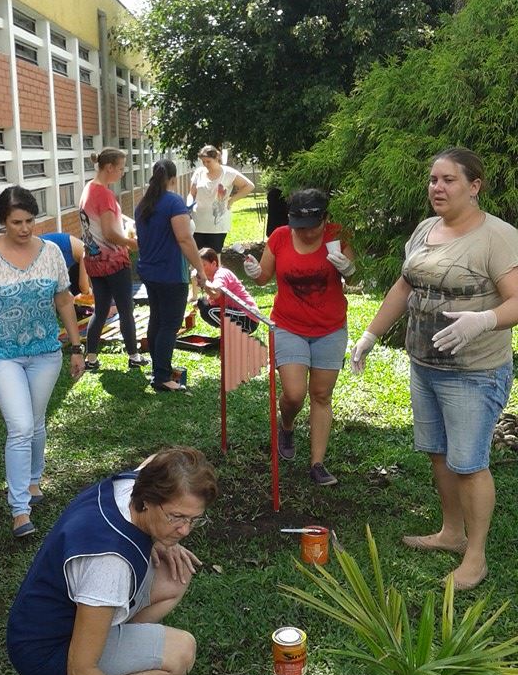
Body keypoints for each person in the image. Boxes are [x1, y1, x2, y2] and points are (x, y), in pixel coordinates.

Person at [351, 148, 518, 590]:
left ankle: (476, 557)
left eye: (448, 180)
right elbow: (404, 285)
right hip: (425, 364)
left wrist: (482, 319)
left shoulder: (496, 237)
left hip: (474, 370)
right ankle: (451, 533)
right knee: (439, 453)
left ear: (475, 185)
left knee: (469, 462)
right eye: (433, 180)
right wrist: (369, 335)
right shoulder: (427, 229)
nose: (437, 188)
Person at [6, 446, 217, 675]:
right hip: (47, 653)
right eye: (176, 518)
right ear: (147, 500)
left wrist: (167, 538)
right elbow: (81, 667)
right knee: (180, 655)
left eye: (193, 519)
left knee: (176, 577)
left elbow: (161, 457)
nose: (185, 530)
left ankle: (121, 671)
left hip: (54, 621)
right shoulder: (109, 565)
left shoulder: (135, 483)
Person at [0, 187, 85, 538]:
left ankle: (32, 480)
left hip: (45, 352)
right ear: (3, 222)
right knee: (20, 426)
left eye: (30, 220)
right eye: (17, 222)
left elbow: (63, 301)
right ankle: (19, 510)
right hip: (1, 355)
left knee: (37, 422)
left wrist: (76, 347)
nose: (25, 228)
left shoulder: (52, 253)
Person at [244, 187, 356, 486]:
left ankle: (317, 463)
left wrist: (349, 268)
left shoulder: (337, 234)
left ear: (324, 219)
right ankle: (288, 424)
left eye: (312, 227)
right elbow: (264, 277)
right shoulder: (280, 236)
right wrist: (253, 270)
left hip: (330, 326)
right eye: (300, 227)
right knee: (294, 394)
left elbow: (353, 275)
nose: (306, 234)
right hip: (289, 325)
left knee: (321, 394)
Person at [135, 159, 207, 392]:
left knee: (157, 320)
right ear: (173, 179)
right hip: (171, 275)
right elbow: (185, 239)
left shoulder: (144, 204)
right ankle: (163, 377)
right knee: (169, 325)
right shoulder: (174, 202)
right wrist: (201, 269)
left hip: (149, 273)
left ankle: (158, 370)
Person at [79, 147, 147, 372]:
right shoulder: (105, 195)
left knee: (100, 310)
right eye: (120, 168)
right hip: (113, 261)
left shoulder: (88, 189)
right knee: (126, 308)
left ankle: (91, 358)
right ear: (109, 167)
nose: (123, 172)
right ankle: (134, 356)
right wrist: (132, 243)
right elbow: (109, 232)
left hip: (94, 262)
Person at [189, 145, 255, 253]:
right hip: (198, 223)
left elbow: (249, 186)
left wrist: (232, 200)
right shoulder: (199, 172)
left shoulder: (228, 173)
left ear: (216, 159)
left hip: (217, 224)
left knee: (214, 256)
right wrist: (189, 205)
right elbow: (191, 193)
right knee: (198, 256)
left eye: (208, 161)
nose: (205, 164)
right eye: (203, 161)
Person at [194, 247, 259, 334]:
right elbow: (212, 299)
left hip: (249, 318)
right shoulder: (212, 278)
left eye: (203, 265)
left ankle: (232, 335)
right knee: (202, 302)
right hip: (243, 315)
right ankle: (230, 335)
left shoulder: (221, 274)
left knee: (208, 311)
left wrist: (204, 283)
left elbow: (216, 294)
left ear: (213, 264)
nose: (200, 269)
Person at [40, 231, 91, 296]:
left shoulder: (78, 257)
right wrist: (88, 292)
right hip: (41, 250)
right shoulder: (87, 253)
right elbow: (83, 286)